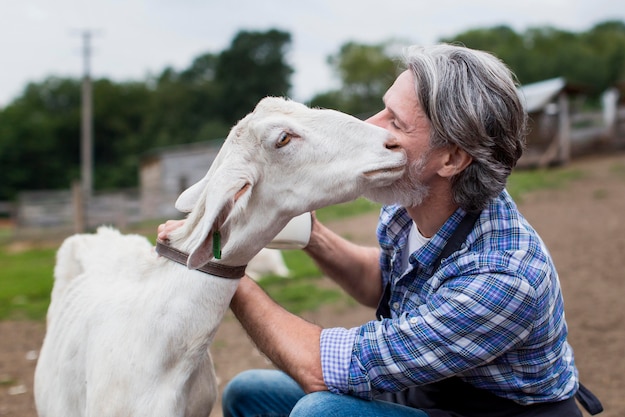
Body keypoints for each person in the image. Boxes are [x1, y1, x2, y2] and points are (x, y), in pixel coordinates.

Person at [158, 43, 602, 417]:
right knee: (248, 393)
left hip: (491, 411)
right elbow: (385, 282)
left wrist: (225, 265)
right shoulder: (411, 199)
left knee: (320, 412)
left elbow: (318, 367)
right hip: (428, 390)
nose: (372, 127)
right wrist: (314, 237)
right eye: (383, 108)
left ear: (451, 160)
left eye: (396, 123)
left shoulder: (505, 278)